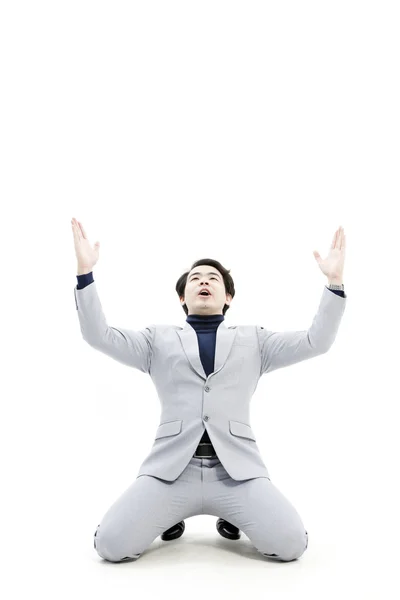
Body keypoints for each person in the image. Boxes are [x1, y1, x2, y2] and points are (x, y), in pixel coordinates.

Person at [71, 217, 347, 562]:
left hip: (236, 473)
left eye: (213, 279)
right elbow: (99, 336)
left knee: (291, 545)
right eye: (196, 279)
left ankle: (232, 516)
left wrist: (334, 281)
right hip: (171, 471)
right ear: (182, 297)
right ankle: (169, 517)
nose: (204, 281)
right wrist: (85, 273)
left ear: (228, 296)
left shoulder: (255, 340)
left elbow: (315, 342)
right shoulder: (156, 340)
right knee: (110, 547)